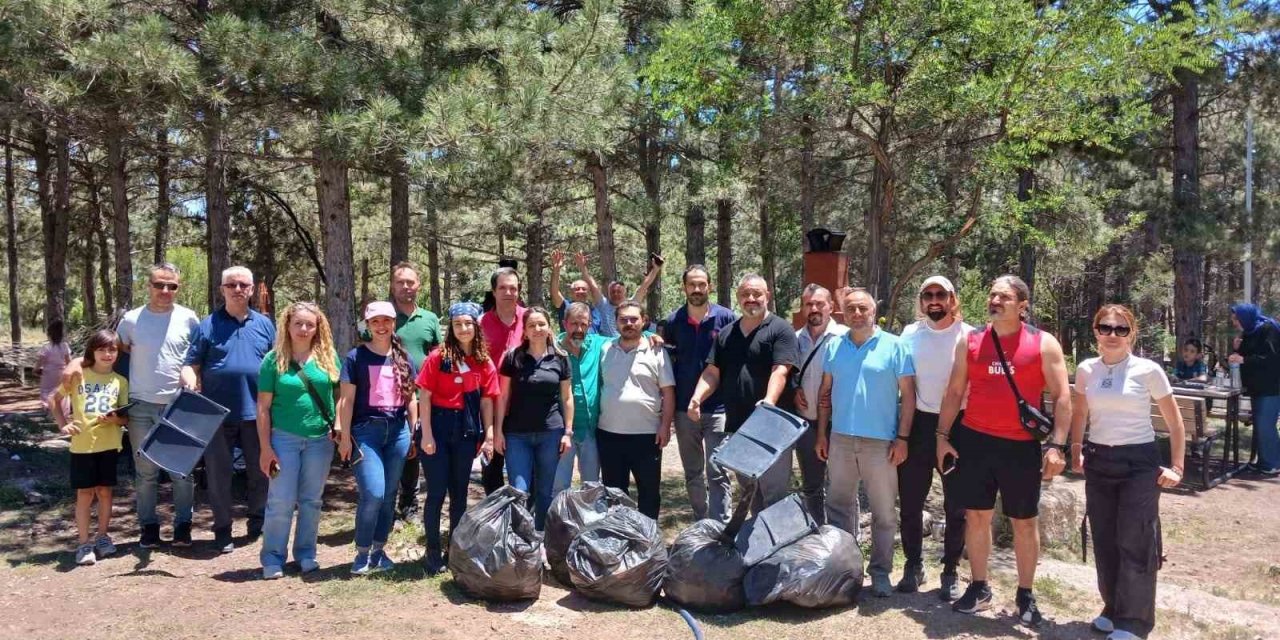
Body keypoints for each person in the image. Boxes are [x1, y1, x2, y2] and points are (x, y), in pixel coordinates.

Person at [935, 275, 1072, 625]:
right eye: (992, 294)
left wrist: (1057, 445)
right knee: (976, 516)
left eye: (1005, 296)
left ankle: (1025, 594)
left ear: (1022, 305)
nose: (995, 300)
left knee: (1024, 523)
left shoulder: (1043, 343)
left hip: (1020, 447)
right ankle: (979, 587)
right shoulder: (972, 341)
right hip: (975, 442)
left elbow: (1062, 397)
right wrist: (942, 436)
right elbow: (954, 392)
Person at [64, 263, 201, 548]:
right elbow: (109, 348)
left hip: (178, 406)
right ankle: (149, 527)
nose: (165, 291)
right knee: (146, 472)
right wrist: (77, 361)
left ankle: (183, 527)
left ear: (178, 287)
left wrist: (191, 373)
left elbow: (195, 358)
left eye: (171, 286)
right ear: (148, 286)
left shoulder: (189, 319)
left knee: (182, 471)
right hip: (140, 407)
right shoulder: (131, 320)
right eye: (159, 285)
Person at [1071, 304, 1186, 640]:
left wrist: (1177, 467)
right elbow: (1079, 415)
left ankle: (1134, 622)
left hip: (1139, 463)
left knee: (1135, 539)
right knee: (1105, 538)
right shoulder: (1086, 369)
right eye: (1105, 328)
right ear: (1095, 331)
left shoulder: (1148, 370)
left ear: (1132, 334)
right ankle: (1114, 607)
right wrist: (1077, 450)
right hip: (1099, 461)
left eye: (1121, 330)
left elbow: (1175, 422)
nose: (1112, 335)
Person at [815, 288, 915, 598]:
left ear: (874, 311)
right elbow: (825, 394)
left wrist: (902, 438)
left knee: (884, 512)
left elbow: (909, 397)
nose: (857, 314)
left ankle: (881, 573)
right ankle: (844, 570)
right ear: (842, 313)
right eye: (851, 309)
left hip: (880, 442)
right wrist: (822, 433)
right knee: (838, 506)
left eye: (863, 308)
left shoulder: (895, 346)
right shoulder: (834, 348)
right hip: (841, 439)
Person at [181, 266, 276, 553]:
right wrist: (190, 383)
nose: (237, 289)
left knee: (260, 471)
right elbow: (190, 364)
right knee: (218, 474)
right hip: (216, 414)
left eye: (243, 284)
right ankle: (222, 528)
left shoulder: (265, 325)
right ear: (222, 289)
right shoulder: (207, 325)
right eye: (231, 284)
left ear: (251, 289)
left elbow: (277, 365)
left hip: (257, 412)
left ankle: (257, 521)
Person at [688, 274, 797, 512]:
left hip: (773, 428)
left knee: (774, 495)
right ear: (738, 298)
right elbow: (712, 372)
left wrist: (769, 401)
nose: (751, 299)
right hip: (739, 427)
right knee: (751, 492)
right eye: (745, 294)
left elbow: (781, 370)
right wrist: (697, 398)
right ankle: (757, 547)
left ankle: (777, 547)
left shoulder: (781, 329)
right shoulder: (727, 333)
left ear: (767, 296)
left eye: (756, 293)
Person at [896, 276, 972, 599]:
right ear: (921, 301)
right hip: (918, 425)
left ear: (953, 298)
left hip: (959, 425)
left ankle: (951, 571)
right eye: (928, 295)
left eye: (941, 294)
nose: (934, 300)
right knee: (911, 502)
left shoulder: (970, 335)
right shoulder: (910, 334)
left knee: (957, 504)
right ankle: (913, 565)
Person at [256, 302, 341, 579]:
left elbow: (341, 397)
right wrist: (265, 447)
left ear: (318, 328)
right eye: (298, 324)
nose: (304, 329)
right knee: (280, 499)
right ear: (288, 326)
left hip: (320, 441)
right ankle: (272, 558)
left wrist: (339, 426)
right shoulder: (273, 360)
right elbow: (263, 408)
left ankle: (306, 554)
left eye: (310, 324)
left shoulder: (328, 358)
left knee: (311, 501)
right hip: (284, 440)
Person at [414, 302, 499, 575]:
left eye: (468, 324)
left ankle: (456, 548)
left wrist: (489, 434)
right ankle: (432, 551)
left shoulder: (483, 361)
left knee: (459, 493)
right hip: (437, 427)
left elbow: (487, 401)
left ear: (476, 326)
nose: (464, 329)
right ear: (451, 327)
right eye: (458, 324)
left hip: (466, 430)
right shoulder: (438, 357)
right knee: (437, 492)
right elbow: (424, 396)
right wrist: (426, 433)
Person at [336, 301, 418, 575]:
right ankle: (361, 553)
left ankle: (379, 551)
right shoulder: (355, 357)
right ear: (367, 326)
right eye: (375, 322)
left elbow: (411, 398)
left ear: (394, 323)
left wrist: (413, 431)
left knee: (390, 494)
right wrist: (345, 437)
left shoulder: (403, 357)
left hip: (398, 432)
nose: (381, 326)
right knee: (373, 493)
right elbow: (346, 401)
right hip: (365, 432)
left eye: (386, 321)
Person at [664, 265, 736, 523]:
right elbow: (667, 361)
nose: (696, 289)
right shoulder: (673, 322)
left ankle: (721, 524)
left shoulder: (727, 318)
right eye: (691, 285)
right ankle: (702, 522)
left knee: (718, 470)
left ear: (710, 286)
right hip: (684, 410)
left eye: (701, 284)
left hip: (719, 408)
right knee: (692, 472)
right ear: (684, 287)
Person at [51, 329, 128, 566]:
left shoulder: (120, 381)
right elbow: (54, 400)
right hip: (82, 446)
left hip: (109, 445)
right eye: (102, 349)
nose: (107, 354)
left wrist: (114, 419)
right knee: (85, 494)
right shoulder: (78, 375)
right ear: (92, 351)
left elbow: (125, 418)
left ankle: (103, 537)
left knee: (105, 492)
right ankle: (84, 544)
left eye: (112, 349)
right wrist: (63, 425)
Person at [494, 307, 573, 530]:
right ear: (525, 330)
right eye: (531, 325)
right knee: (519, 491)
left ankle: (540, 542)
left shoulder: (561, 358)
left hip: (551, 433)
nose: (537, 329)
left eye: (541, 324)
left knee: (545, 491)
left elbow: (567, 398)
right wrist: (498, 431)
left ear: (549, 328)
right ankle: (520, 541)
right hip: (517, 434)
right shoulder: (513, 357)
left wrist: (567, 432)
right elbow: (502, 397)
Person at [597, 302, 675, 520]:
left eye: (633, 319)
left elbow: (668, 392)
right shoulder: (605, 349)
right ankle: (618, 540)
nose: (628, 324)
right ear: (616, 323)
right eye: (623, 320)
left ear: (644, 321)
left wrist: (665, 426)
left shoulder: (657, 350)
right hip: (609, 434)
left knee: (649, 494)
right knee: (614, 495)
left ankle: (648, 541)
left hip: (647, 436)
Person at [388, 262, 443, 524]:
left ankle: (409, 505)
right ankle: (388, 508)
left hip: (424, 396)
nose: (406, 287)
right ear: (392, 285)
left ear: (418, 285)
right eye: (401, 282)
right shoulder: (383, 316)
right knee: (394, 451)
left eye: (410, 282)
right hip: (388, 398)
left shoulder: (430, 319)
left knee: (415, 448)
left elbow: (438, 354)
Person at [791, 284, 849, 525]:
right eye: (808, 304)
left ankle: (846, 540)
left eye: (819, 303)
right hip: (806, 423)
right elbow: (788, 373)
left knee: (842, 489)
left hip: (839, 425)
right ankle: (817, 539)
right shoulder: (794, 339)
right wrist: (794, 389)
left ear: (831, 307)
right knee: (812, 486)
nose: (814, 308)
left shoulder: (846, 337)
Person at [479, 267, 526, 493]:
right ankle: (496, 520)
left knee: (524, 471)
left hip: (523, 406)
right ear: (494, 291)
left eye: (513, 288)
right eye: (503, 288)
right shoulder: (480, 324)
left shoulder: (530, 320)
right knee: (492, 468)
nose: (508, 292)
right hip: (489, 405)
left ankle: (524, 519)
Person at [553, 302, 605, 494]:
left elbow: (625, 337)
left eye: (584, 324)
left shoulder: (597, 344)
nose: (579, 329)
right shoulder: (554, 348)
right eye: (574, 324)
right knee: (558, 484)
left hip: (590, 429)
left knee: (591, 486)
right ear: (565, 323)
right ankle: (556, 522)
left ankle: (589, 522)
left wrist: (651, 335)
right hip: (561, 430)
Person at [1229, 303, 1280, 475]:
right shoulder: (1250, 332)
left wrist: (1243, 359)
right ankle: (1263, 461)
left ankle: (1273, 463)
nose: (1234, 322)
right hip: (1256, 387)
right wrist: (1237, 350)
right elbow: (1246, 355)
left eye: (1236, 319)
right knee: (1259, 425)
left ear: (1245, 317)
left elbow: (1271, 359)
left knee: (1266, 425)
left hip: (1271, 387)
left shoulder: (1268, 329)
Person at [593, 257, 662, 338]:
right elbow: (593, 287)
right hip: (608, 346)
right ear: (608, 293)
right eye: (613, 292)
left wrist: (655, 270)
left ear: (625, 292)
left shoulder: (632, 304)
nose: (616, 294)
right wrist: (582, 267)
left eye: (619, 292)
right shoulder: (603, 305)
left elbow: (644, 286)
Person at [549, 249, 604, 333]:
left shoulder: (594, 309)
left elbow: (594, 288)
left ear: (588, 292)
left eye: (584, 289)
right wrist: (556, 269)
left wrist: (583, 267)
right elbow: (555, 292)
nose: (581, 291)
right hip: (570, 344)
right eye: (577, 289)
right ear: (571, 293)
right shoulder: (565, 306)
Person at [35, 320, 71, 417]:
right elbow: (69, 362)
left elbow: (40, 361)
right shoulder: (65, 346)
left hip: (48, 374)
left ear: (49, 335)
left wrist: (36, 369)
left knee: (47, 390)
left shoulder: (46, 347)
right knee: (61, 390)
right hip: (62, 373)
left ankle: (49, 408)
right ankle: (62, 411)